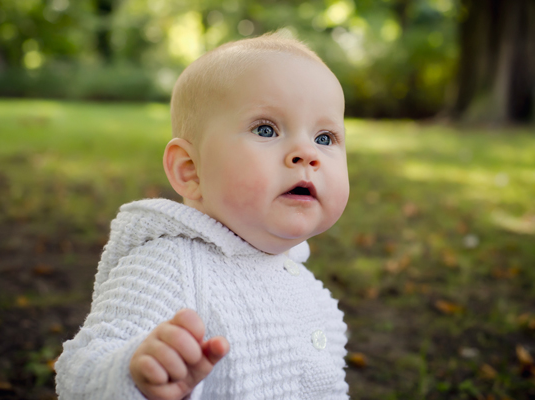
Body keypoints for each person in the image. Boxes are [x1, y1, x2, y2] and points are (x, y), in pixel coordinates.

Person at [55, 32, 351, 400]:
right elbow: (80, 371)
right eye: (266, 129)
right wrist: (134, 374)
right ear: (191, 171)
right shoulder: (168, 264)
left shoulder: (308, 291)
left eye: (325, 138)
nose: (307, 154)